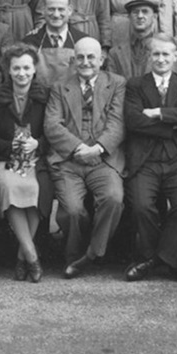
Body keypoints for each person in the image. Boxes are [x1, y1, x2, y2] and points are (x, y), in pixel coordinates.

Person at [44, 37, 126, 278]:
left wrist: (98, 148)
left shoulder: (117, 84)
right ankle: (73, 254)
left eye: (91, 57)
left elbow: (117, 123)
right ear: (73, 60)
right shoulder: (60, 86)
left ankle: (92, 253)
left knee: (113, 198)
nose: (86, 62)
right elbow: (52, 125)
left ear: (101, 60)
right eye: (80, 57)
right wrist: (79, 147)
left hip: (102, 159)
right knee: (71, 210)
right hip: (69, 159)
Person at [123, 34, 177, 283]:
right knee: (142, 206)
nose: (161, 59)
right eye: (156, 54)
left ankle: (158, 259)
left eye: (166, 54)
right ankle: (158, 257)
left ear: (175, 57)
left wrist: (158, 112)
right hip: (146, 160)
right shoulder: (135, 85)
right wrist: (174, 122)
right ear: (148, 56)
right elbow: (134, 121)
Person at [0, 43, 50, 282]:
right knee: (12, 188)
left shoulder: (45, 96)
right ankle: (32, 257)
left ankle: (21, 256)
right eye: (16, 68)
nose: (21, 73)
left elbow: (53, 132)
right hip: (5, 159)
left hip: (36, 160)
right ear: (8, 70)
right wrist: (8, 146)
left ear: (34, 69)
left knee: (36, 189)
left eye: (26, 68)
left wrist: (38, 144)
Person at [23, 0, 89, 88]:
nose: (56, 15)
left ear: (69, 10)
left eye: (61, 9)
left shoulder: (83, 41)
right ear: (43, 10)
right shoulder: (29, 43)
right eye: (51, 9)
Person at [107, 0, 161, 79]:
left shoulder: (164, 51)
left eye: (145, 11)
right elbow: (112, 85)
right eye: (135, 12)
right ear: (129, 17)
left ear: (154, 16)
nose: (140, 16)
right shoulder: (115, 53)